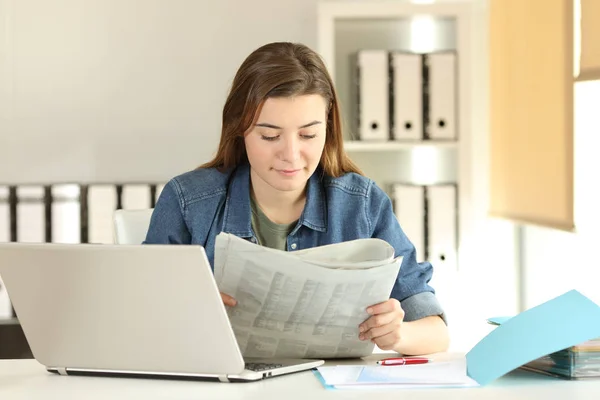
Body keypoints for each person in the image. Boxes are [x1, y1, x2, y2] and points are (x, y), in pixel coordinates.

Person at [144, 42, 449, 356]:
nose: (290, 155)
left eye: (308, 135)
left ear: (328, 129)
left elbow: (436, 333)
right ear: (240, 130)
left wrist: (399, 333)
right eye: (270, 136)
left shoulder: (362, 205)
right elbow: (138, 318)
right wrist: (185, 315)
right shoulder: (189, 202)